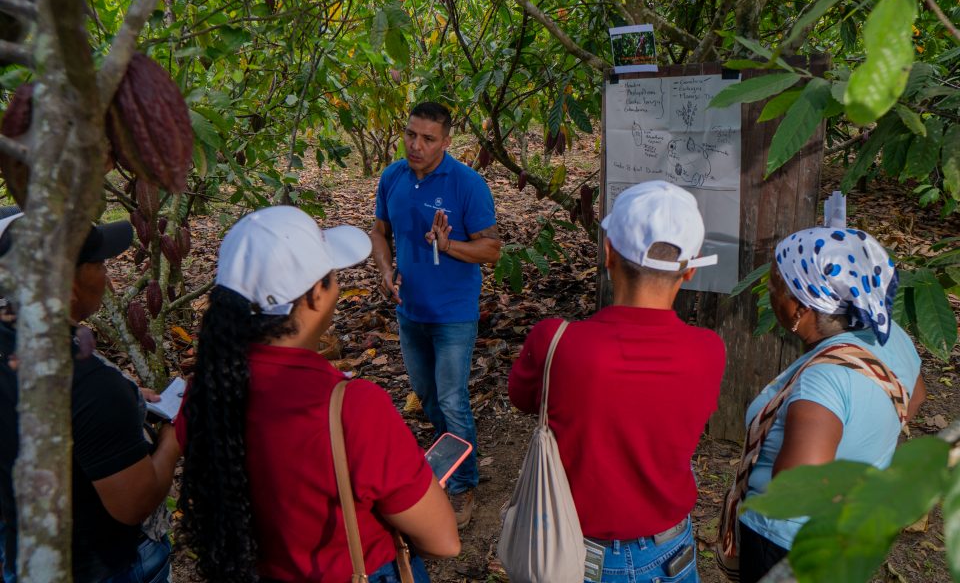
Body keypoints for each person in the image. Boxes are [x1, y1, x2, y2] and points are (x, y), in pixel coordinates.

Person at [178, 206, 460, 583]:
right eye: (333, 276)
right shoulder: (351, 405)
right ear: (315, 295)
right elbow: (443, 541)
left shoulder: (207, 389)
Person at [509, 180, 726, 583]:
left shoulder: (556, 341)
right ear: (691, 268)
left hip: (574, 551)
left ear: (607, 253)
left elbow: (522, 398)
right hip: (670, 551)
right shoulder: (709, 350)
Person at [734, 227, 926, 583]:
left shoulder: (821, 380)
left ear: (801, 307)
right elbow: (914, 397)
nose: (770, 294)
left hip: (788, 544)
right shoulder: (891, 335)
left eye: (776, 286)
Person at [0, 212, 180, 583]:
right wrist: (176, 438)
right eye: (97, 263)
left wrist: (127, 398)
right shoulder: (87, 383)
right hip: (105, 565)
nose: (107, 274)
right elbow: (134, 503)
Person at [370, 102, 501, 528]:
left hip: (453, 315)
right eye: (411, 134)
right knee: (426, 396)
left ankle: (463, 485)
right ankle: (448, 456)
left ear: (446, 142)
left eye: (428, 138)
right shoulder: (393, 177)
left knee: (452, 399)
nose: (416, 145)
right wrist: (387, 271)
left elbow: (492, 249)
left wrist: (449, 247)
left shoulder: (467, 184)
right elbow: (379, 231)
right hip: (410, 312)